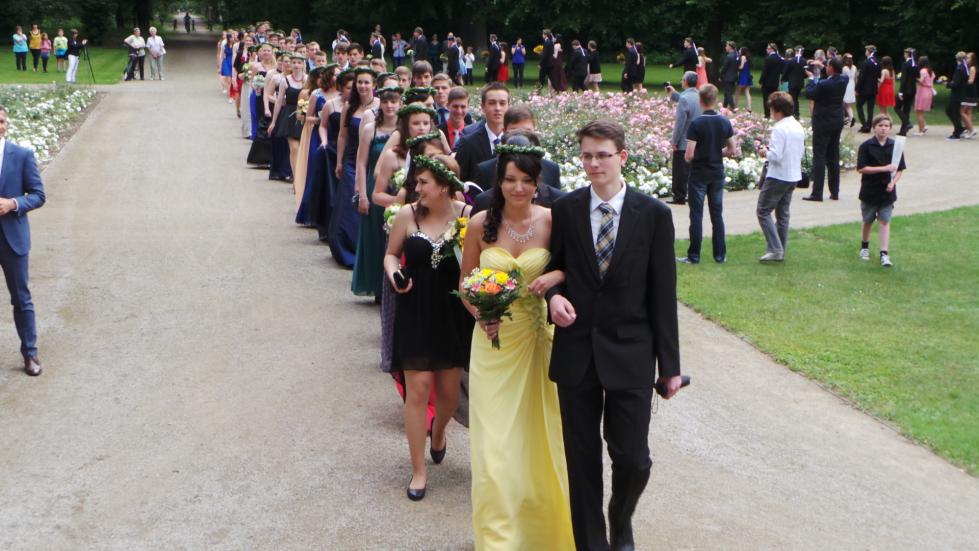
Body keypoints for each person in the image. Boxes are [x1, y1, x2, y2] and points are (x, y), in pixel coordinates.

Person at [545, 119, 683, 551]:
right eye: (587, 155)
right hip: (576, 352)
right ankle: (592, 544)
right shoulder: (566, 209)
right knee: (582, 461)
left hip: (631, 353)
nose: (594, 163)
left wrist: (670, 366)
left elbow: (663, 293)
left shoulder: (654, 215)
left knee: (633, 458)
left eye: (602, 155)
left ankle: (620, 521)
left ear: (622, 156)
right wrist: (552, 298)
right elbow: (554, 268)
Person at [462, 143, 574, 549]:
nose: (518, 188)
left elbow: (576, 268)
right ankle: (499, 541)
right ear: (499, 181)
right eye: (510, 180)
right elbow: (465, 282)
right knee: (494, 450)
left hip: (539, 343)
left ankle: (544, 535)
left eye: (527, 180)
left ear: (538, 183)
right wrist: (481, 312)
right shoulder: (479, 224)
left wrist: (554, 276)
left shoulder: (553, 220)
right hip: (493, 345)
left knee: (541, 443)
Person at [384, 154, 473, 500]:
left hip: (452, 313)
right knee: (418, 391)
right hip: (415, 310)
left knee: (449, 394)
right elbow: (391, 254)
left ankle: (439, 431)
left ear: (445, 186)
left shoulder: (468, 217)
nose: (416, 187)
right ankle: (418, 470)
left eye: (423, 182)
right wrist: (395, 274)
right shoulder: (408, 214)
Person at [0, 105, 46, 376]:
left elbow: (38, 195)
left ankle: (30, 353)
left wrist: (13, 203)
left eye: (1, 121)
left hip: (12, 239)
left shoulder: (21, 155)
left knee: (21, 298)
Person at [352, 86, 402, 299]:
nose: (390, 106)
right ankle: (376, 285)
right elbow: (361, 163)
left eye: (394, 101)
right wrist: (362, 194)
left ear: (400, 104)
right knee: (375, 236)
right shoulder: (370, 129)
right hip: (375, 186)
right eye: (386, 102)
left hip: (398, 186)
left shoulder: (404, 130)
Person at [677, 85, 736, 264]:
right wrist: (717, 153)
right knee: (717, 214)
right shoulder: (724, 122)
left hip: (699, 173)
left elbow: (689, 155)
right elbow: (732, 149)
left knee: (696, 215)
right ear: (716, 100)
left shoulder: (696, 124)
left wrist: (697, 156)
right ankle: (720, 255)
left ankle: (694, 255)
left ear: (700, 101)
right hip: (717, 172)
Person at [332, 67, 379, 267]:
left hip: (373, 159)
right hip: (351, 160)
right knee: (349, 204)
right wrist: (339, 161)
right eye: (359, 82)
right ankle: (346, 248)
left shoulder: (380, 106)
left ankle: (366, 249)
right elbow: (342, 136)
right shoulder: (349, 107)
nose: (363, 86)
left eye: (367, 82)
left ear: (374, 85)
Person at [471, 108, 563, 199]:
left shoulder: (551, 169)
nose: (521, 135)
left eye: (527, 131)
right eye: (514, 131)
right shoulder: (485, 170)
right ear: (504, 132)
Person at [756, 92, 805, 262]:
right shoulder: (797, 125)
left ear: (778, 110)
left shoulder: (779, 128)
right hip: (793, 174)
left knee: (763, 210)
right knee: (783, 213)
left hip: (778, 175)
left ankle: (775, 248)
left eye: (771, 109)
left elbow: (776, 156)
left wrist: (765, 152)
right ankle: (780, 248)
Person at [857, 115, 905, 268]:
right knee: (868, 220)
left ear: (890, 129)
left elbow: (899, 169)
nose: (883, 128)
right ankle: (864, 247)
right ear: (874, 127)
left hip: (887, 192)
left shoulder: (895, 146)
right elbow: (862, 168)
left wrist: (893, 182)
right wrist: (883, 168)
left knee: (885, 221)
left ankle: (884, 253)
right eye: (880, 125)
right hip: (870, 190)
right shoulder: (866, 146)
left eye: (886, 126)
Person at [803, 56, 848, 202]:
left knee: (819, 156)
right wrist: (821, 67)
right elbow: (833, 75)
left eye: (827, 66)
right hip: (836, 120)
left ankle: (817, 192)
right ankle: (835, 191)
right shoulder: (844, 79)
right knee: (833, 155)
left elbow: (810, 93)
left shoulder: (823, 84)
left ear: (831, 68)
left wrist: (811, 79)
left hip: (822, 121)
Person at [454, 82, 510, 182]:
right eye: (492, 103)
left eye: (502, 103)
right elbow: (458, 181)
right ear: (483, 107)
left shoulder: (514, 142)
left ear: (509, 106)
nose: (497, 108)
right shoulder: (468, 143)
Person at [268, 54, 306, 184]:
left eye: (299, 62)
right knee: (294, 148)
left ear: (303, 64)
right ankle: (296, 178)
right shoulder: (285, 80)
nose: (296, 65)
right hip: (289, 116)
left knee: (302, 149)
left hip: (303, 115)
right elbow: (279, 101)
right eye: (293, 62)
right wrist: (274, 122)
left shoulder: (307, 80)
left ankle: (302, 176)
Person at [666, 72, 702, 206]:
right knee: (692, 170)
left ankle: (679, 195)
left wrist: (674, 141)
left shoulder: (684, 99)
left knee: (680, 169)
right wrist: (674, 94)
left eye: (682, 80)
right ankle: (690, 194)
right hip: (698, 140)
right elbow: (686, 100)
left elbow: (680, 123)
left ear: (686, 81)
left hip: (684, 140)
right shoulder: (699, 96)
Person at [438, 86, 472, 150]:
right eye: (455, 106)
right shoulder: (437, 132)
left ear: (468, 107)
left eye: (463, 107)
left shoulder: (473, 133)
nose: (459, 111)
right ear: (448, 106)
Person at [855, 45, 880, 133]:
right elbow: (878, 75)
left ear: (869, 52)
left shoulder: (866, 62)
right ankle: (868, 126)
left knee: (859, 105)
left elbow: (861, 77)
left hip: (864, 89)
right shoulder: (877, 62)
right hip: (873, 88)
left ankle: (864, 125)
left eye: (866, 50)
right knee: (870, 108)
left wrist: (857, 88)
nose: (865, 52)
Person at [946, 52, 969, 140]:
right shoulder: (964, 68)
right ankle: (959, 129)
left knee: (952, 112)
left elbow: (956, 84)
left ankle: (957, 132)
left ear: (957, 59)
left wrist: (947, 84)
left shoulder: (959, 69)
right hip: (961, 93)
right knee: (953, 112)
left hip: (957, 95)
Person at [895, 48, 917, 136]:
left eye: (905, 53)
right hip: (912, 90)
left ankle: (907, 122)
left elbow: (903, 79)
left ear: (907, 54)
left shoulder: (906, 64)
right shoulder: (915, 64)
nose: (904, 55)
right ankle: (903, 131)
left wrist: (900, 92)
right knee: (906, 110)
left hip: (905, 90)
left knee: (897, 107)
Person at [759, 43, 783, 118]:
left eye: (768, 48)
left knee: (766, 98)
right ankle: (774, 114)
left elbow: (765, 71)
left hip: (767, 82)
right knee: (774, 99)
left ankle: (767, 115)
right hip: (775, 82)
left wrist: (761, 81)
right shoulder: (779, 58)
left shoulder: (768, 58)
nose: (767, 50)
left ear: (772, 49)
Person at [782, 47, 806, 118]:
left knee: (792, 99)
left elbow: (786, 71)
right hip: (800, 82)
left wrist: (783, 79)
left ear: (796, 51)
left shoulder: (791, 60)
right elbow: (805, 72)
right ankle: (796, 114)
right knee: (796, 99)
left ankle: (793, 113)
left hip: (792, 82)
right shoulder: (804, 61)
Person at [914, 56, 935, 135]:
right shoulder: (931, 71)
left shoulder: (923, 71)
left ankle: (921, 130)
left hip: (922, 91)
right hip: (929, 91)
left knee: (919, 111)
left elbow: (921, 81)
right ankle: (924, 125)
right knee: (922, 111)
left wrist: (915, 79)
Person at [960, 52, 977, 139]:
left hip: (969, 93)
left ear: (972, 59)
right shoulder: (968, 67)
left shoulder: (972, 68)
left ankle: (971, 130)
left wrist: (961, 82)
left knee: (961, 111)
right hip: (970, 92)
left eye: (968, 58)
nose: (966, 59)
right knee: (968, 112)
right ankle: (969, 131)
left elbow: (971, 81)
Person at [719, 41, 739, 109]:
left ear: (730, 47)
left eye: (726, 46)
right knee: (727, 93)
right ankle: (724, 107)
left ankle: (732, 108)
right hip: (734, 77)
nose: (725, 47)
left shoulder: (729, 56)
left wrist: (720, 76)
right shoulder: (737, 56)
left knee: (728, 93)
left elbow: (724, 68)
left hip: (728, 77)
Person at [842, 54, 857, 126]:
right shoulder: (854, 67)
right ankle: (852, 117)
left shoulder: (844, 68)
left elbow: (842, 77)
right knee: (848, 105)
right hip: (852, 84)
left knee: (842, 103)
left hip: (846, 84)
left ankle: (843, 119)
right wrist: (855, 87)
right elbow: (855, 78)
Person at [737, 47, 754, 113]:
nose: (739, 50)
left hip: (743, 75)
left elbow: (741, 67)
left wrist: (736, 67)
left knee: (738, 91)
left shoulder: (743, 57)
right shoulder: (748, 57)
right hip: (748, 75)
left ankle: (735, 106)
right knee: (747, 92)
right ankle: (749, 108)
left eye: (740, 50)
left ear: (743, 51)